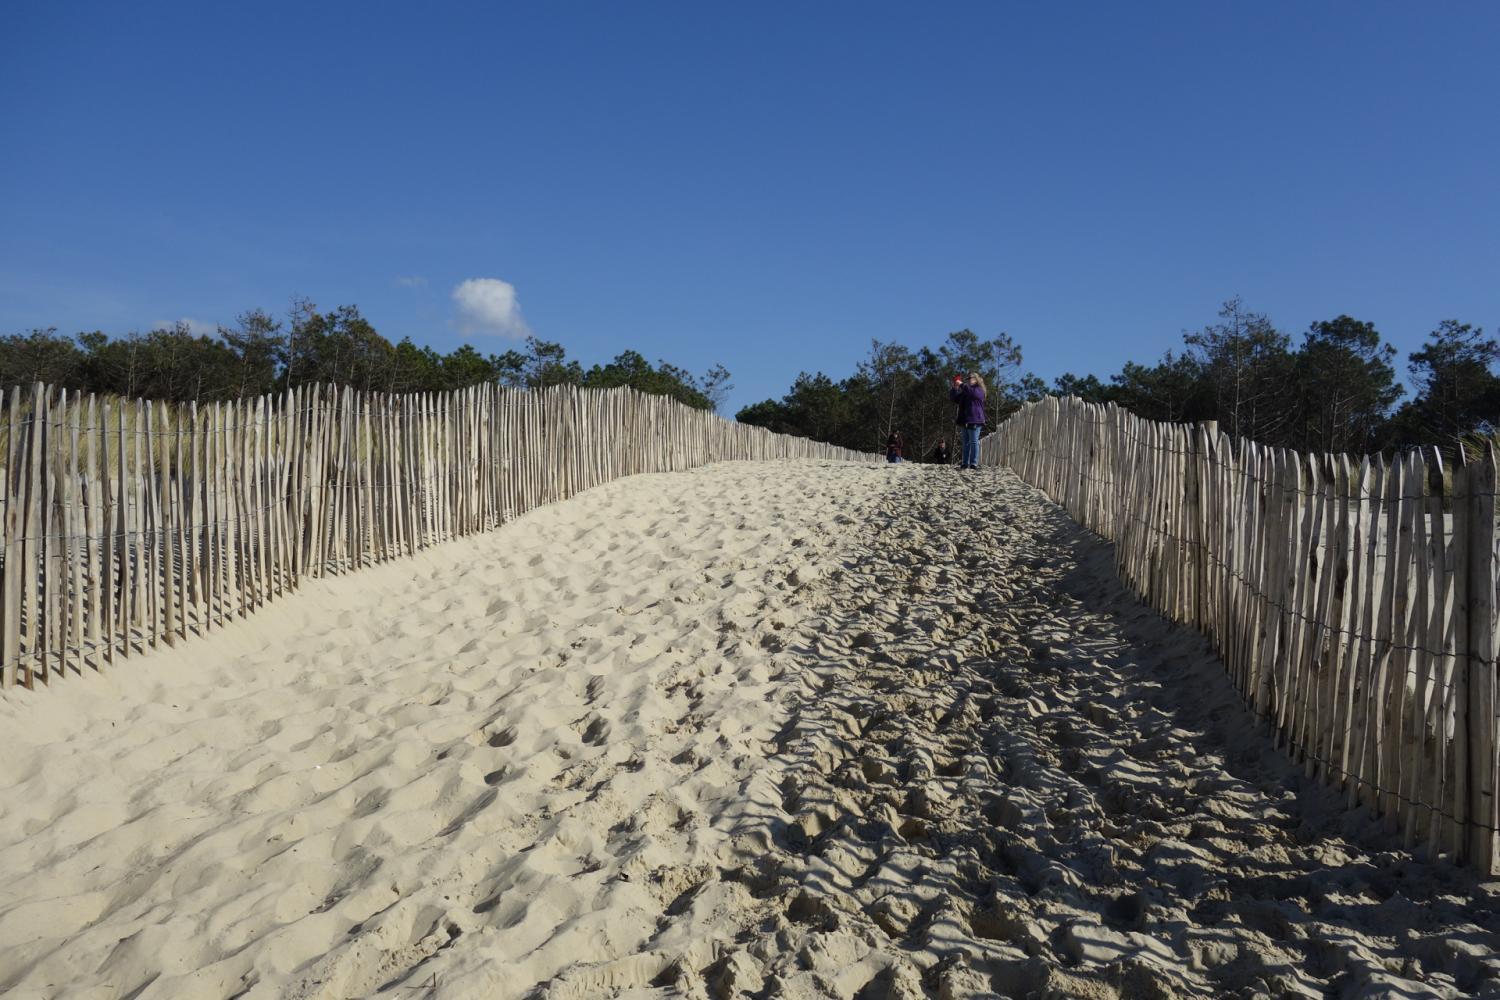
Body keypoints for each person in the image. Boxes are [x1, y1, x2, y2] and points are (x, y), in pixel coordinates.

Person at [949, 372, 986, 469]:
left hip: (975, 419)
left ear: (976, 379)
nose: (968, 380)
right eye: (967, 378)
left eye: (970, 378)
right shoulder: (966, 391)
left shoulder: (979, 390)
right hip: (964, 419)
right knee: (965, 442)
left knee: (973, 442)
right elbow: (955, 398)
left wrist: (961, 384)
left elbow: (972, 393)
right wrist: (955, 388)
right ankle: (965, 463)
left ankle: (973, 463)